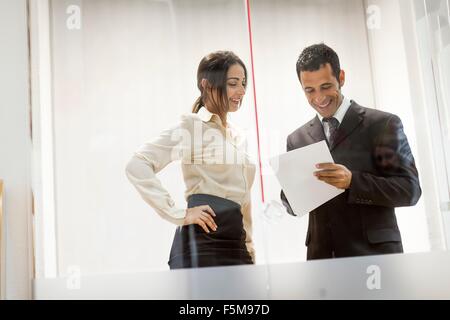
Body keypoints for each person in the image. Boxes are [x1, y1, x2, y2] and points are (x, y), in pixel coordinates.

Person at [281, 43, 422, 260]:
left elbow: (410, 190)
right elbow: (292, 205)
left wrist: (353, 182)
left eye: (326, 86)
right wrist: (291, 194)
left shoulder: (383, 124)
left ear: (342, 77)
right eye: (309, 90)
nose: (319, 98)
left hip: (375, 258)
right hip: (322, 259)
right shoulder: (296, 139)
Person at [126, 51, 255, 269]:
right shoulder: (192, 127)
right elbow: (137, 165)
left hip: (236, 242)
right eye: (233, 83)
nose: (241, 91)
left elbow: (244, 202)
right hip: (202, 241)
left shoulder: (239, 137)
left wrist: (250, 250)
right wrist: (179, 214)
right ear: (206, 85)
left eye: (243, 83)